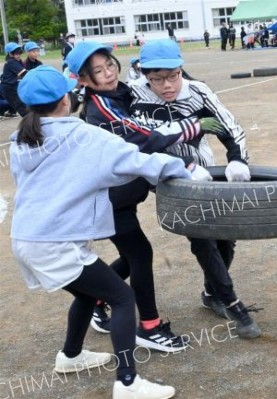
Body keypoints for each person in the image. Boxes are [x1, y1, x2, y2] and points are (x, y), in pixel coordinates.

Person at [10, 65, 195, 398]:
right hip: (54, 242)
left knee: (86, 293)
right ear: (65, 100)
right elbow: (138, 160)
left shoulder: (22, 139)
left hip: (28, 238)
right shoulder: (86, 137)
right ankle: (128, 383)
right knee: (121, 297)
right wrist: (185, 169)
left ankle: (70, 356)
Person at [66, 41, 201, 352]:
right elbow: (142, 135)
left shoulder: (122, 92)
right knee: (140, 255)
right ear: (84, 80)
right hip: (109, 201)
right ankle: (150, 327)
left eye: (110, 65)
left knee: (133, 256)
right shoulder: (100, 108)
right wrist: (188, 130)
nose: (109, 73)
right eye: (98, 71)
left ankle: (96, 300)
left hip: (122, 197)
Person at [128, 40, 261, 339]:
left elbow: (230, 126)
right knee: (202, 236)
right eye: (157, 78)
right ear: (144, 74)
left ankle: (211, 291)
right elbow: (139, 143)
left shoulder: (198, 91)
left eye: (173, 76)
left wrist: (237, 159)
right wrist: (183, 163)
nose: (167, 85)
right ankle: (232, 302)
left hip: (206, 174)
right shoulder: (132, 96)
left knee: (225, 236)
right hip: (166, 180)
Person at [1, 42, 28, 116]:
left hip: (13, 86)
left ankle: (30, 124)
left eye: (19, 53)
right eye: (16, 54)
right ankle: (30, 125)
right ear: (10, 54)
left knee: (23, 106)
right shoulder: (11, 62)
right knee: (21, 107)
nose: (18, 55)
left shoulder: (16, 61)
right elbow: (24, 73)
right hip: (9, 88)